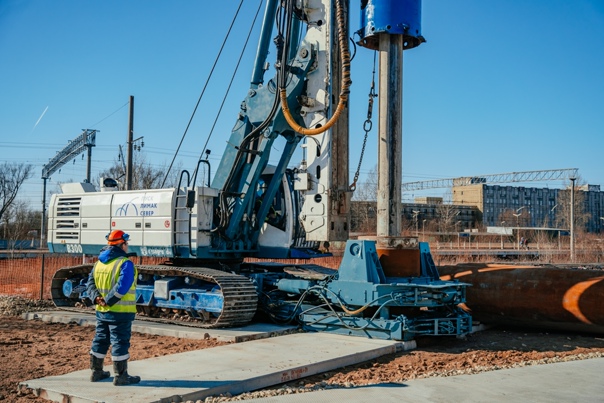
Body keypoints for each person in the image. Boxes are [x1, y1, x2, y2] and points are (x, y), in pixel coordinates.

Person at [87, 229, 141, 386]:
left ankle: (96, 372)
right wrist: (109, 300)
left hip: (102, 312)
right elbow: (122, 286)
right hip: (120, 312)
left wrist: (97, 298)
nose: (127, 246)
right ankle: (121, 376)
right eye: (126, 243)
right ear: (122, 244)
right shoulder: (125, 264)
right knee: (120, 342)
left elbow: (90, 283)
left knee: (101, 339)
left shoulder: (98, 264)